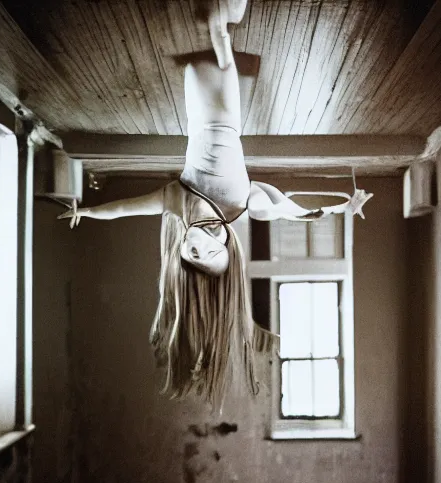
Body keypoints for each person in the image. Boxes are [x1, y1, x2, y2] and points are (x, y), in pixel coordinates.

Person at [59, 1, 372, 409]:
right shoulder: (244, 205)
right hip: (226, 115)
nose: (203, 242)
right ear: (228, 244)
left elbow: (125, 209)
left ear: (180, 249)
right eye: (214, 251)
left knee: (201, 61)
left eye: (193, 252)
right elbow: (287, 210)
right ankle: (220, 23)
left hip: (196, 113)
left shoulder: (179, 201)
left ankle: (220, 23)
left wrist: (86, 211)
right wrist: (335, 210)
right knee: (221, 53)